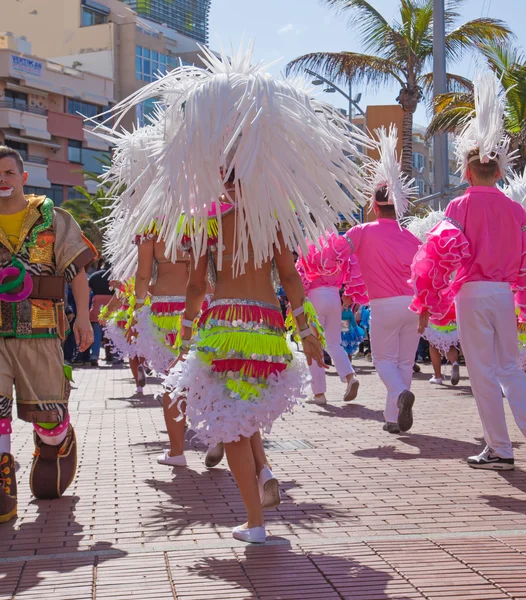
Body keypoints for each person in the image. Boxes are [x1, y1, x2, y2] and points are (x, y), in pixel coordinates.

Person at [98, 41, 367, 543]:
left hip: (222, 329)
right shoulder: (273, 224)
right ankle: (262, 487)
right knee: (241, 416)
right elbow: (290, 280)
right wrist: (305, 330)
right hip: (266, 330)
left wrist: (183, 326)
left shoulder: (213, 225)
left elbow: (198, 285)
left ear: (222, 176)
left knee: (231, 425)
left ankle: (255, 522)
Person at [411, 72, 526, 470]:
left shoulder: (458, 208)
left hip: (472, 293)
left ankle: (500, 448)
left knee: (483, 373)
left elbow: (437, 258)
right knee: (511, 369)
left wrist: (429, 300)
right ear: (499, 171)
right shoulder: (517, 210)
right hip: (503, 293)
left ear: (466, 169)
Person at [0, 146, 96, 523]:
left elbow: (79, 272)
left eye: (8, 172)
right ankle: (4, 478)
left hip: (40, 330)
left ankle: (58, 438)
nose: (1, 180)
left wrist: (84, 319)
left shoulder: (53, 219)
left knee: (48, 418)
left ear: (23, 178)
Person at [345, 126, 421, 434]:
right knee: (403, 363)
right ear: (398, 205)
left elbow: (336, 253)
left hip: (383, 305)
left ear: (374, 205)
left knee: (382, 360)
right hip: (413, 305)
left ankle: (401, 395)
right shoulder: (413, 237)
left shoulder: (361, 232)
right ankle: (392, 419)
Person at [296, 232, 367, 405]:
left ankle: (319, 393)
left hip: (314, 298)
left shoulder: (307, 248)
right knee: (334, 343)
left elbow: (300, 277)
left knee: (314, 344)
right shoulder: (338, 251)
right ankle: (350, 376)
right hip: (335, 297)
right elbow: (351, 271)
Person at [88, 261, 113, 366]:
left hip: (97, 306)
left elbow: (87, 292)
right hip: (112, 305)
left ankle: (94, 355)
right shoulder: (114, 276)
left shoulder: (94, 276)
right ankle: (112, 355)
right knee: (112, 332)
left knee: (96, 332)